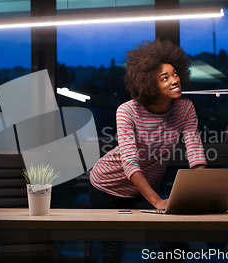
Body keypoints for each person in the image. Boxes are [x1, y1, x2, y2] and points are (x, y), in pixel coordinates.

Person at [89, 39, 207, 263]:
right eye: (165, 78)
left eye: (175, 73)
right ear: (149, 84)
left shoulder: (185, 108)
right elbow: (130, 163)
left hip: (143, 191)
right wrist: (158, 201)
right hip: (106, 187)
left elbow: (195, 153)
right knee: (113, 250)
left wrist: (204, 197)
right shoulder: (127, 111)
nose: (175, 80)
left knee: (177, 245)